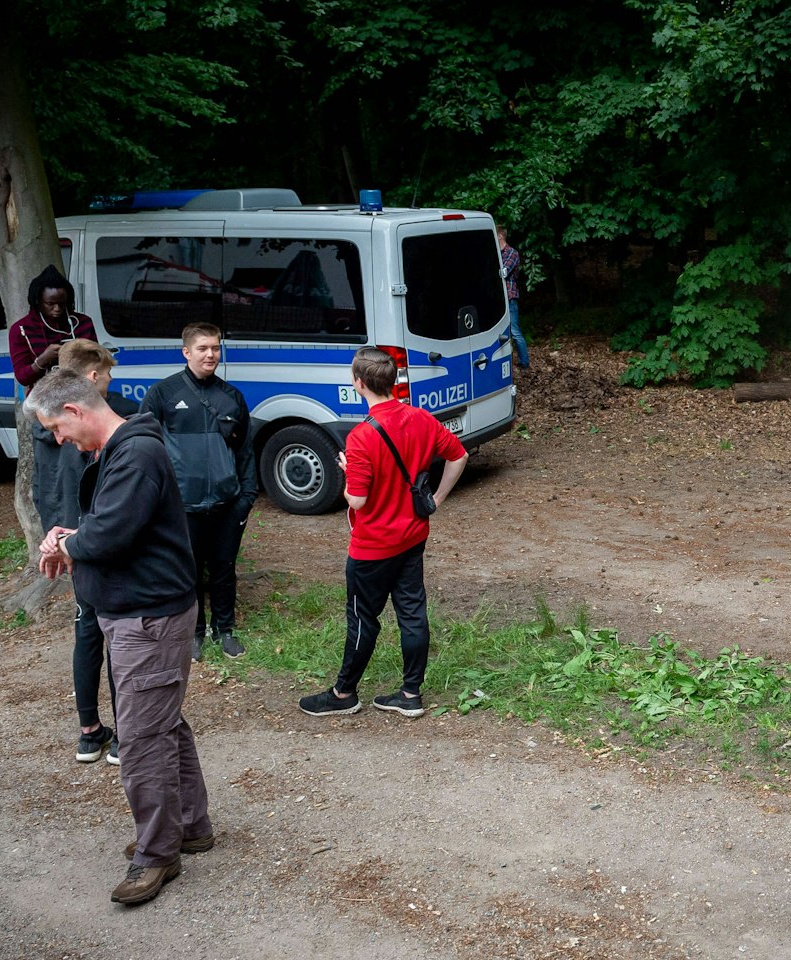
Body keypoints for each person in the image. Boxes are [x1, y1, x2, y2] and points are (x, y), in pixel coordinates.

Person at [29, 369, 213, 906]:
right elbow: (107, 523)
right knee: (161, 722)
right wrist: (69, 536)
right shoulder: (121, 451)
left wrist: (69, 545)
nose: (58, 441)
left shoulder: (134, 454)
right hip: (139, 613)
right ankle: (191, 826)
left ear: (75, 412)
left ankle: (157, 855)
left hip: (148, 618)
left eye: (56, 430)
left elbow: (109, 532)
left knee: (141, 739)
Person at [299, 346, 467, 718]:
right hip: (413, 535)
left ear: (359, 384)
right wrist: (436, 498)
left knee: (362, 617)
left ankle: (344, 694)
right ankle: (411, 695)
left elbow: (356, 501)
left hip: (373, 546)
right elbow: (459, 455)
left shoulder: (361, 437)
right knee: (412, 612)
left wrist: (345, 471)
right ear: (393, 381)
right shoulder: (422, 419)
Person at [141, 323, 259, 661]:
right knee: (189, 572)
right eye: (203, 348)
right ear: (186, 352)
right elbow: (144, 449)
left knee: (223, 569)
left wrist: (245, 498)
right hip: (182, 506)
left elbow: (246, 451)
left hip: (226, 504)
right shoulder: (163, 394)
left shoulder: (231, 396)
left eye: (216, 348)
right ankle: (194, 632)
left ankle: (226, 631)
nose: (211, 355)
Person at [52, 341, 139, 766]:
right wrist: (72, 540)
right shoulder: (102, 422)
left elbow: (49, 488)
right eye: (106, 374)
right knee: (113, 633)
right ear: (92, 377)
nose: (111, 380)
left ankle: (89, 732)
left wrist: (58, 535)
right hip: (91, 540)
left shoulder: (49, 416)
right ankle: (118, 734)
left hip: (74, 537)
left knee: (88, 630)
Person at [7, 265, 98, 533]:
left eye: (62, 303)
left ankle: (85, 528)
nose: (57, 310)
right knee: (51, 478)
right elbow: (23, 375)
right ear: (38, 301)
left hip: (81, 408)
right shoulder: (21, 330)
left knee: (81, 474)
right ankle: (57, 532)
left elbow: (96, 360)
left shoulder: (82, 323)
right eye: (51, 304)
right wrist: (43, 360)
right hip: (46, 414)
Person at [497, 226, 531, 369]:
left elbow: (503, 272)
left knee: (515, 332)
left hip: (509, 297)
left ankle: (524, 362)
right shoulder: (496, 253)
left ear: (499, 236)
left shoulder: (511, 253)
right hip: (499, 298)